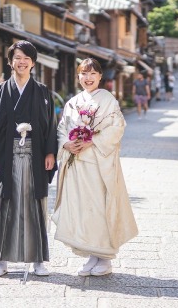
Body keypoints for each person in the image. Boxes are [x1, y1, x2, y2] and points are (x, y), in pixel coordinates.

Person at [0, 40, 58, 277]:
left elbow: (50, 124)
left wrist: (50, 152)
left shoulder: (42, 91)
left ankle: (38, 260)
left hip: (35, 156)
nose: (22, 62)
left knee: (35, 206)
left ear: (33, 62)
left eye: (26, 58)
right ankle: (2, 259)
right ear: (10, 62)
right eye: (17, 57)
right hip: (5, 157)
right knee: (3, 206)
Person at [53, 58, 138, 276]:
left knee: (100, 207)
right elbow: (62, 128)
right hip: (77, 165)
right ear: (78, 76)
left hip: (98, 164)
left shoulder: (108, 99)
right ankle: (92, 255)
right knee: (83, 209)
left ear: (100, 76)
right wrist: (66, 143)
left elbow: (118, 126)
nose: (88, 78)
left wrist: (92, 141)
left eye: (92, 74)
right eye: (83, 73)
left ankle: (105, 258)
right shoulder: (73, 102)